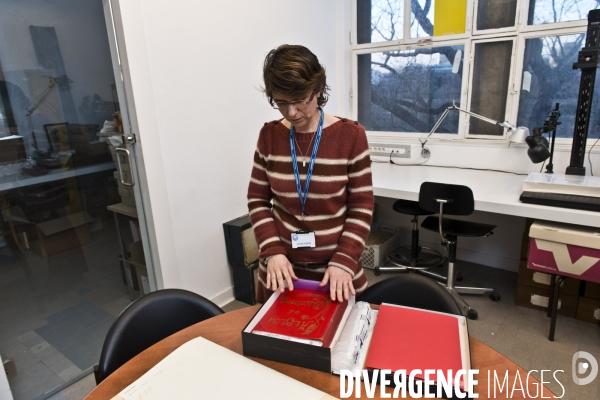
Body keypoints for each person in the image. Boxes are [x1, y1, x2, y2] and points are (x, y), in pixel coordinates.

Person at [247, 44, 374, 304]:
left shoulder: (351, 136)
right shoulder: (269, 136)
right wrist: (271, 251)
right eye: (281, 102)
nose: (291, 112)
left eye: (299, 100)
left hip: (336, 273)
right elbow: (258, 201)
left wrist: (345, 259)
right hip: (281, 273)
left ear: (317, 90)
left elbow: (361, 205)